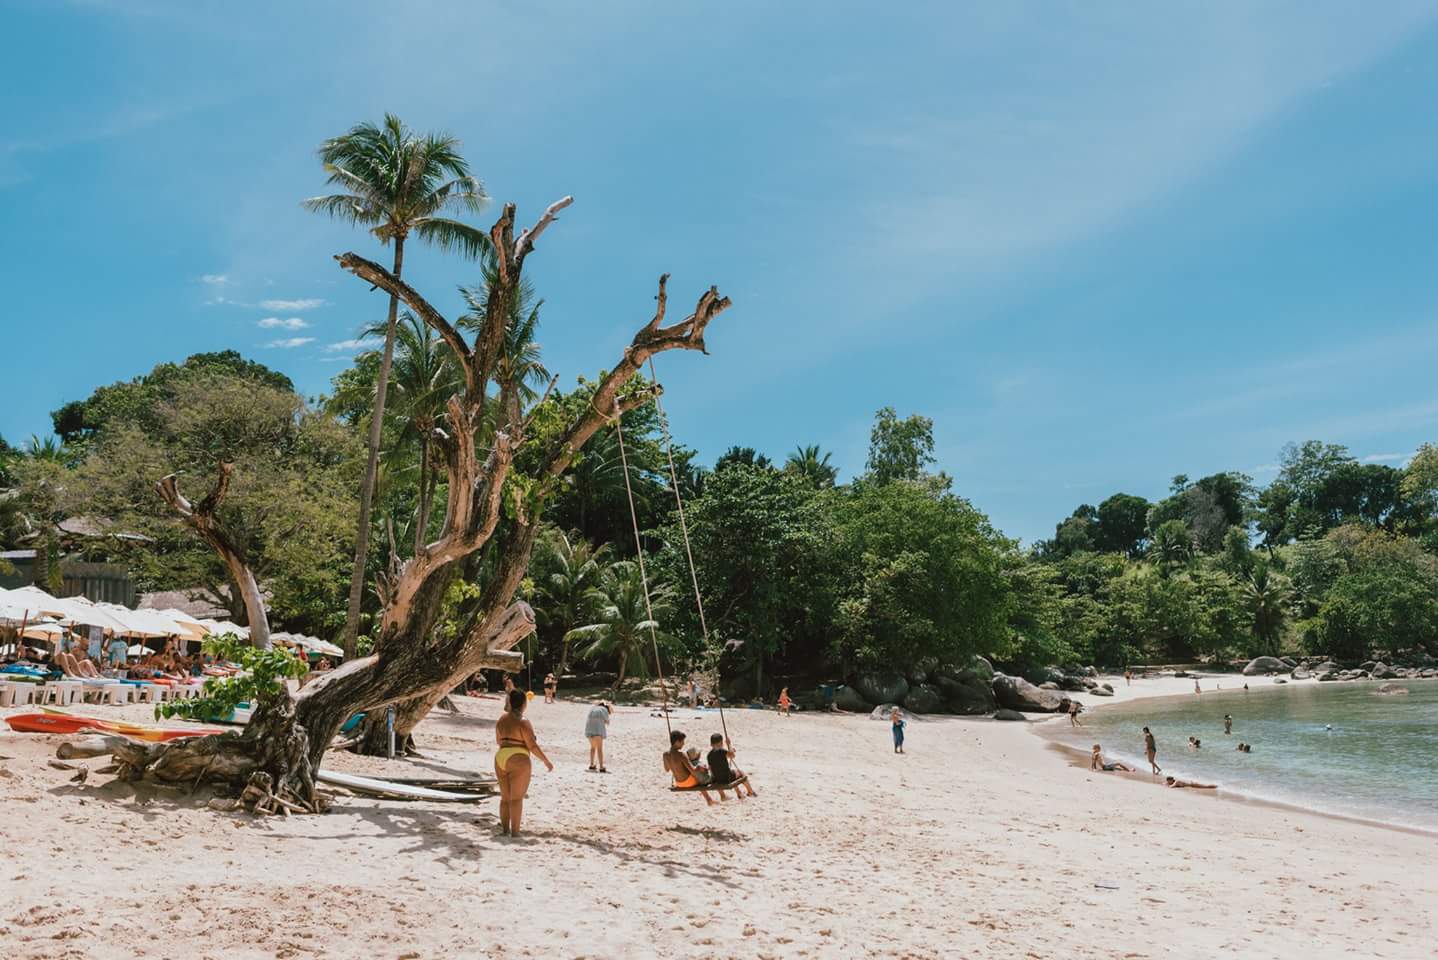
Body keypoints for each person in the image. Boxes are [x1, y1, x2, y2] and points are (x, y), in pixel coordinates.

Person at [493, 688, 553, 837]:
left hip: (500, 756)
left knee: (505, 798)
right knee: (516, 798)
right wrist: (546, 760)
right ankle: (515, 833)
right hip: (518, 757)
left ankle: (505, 830)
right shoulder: (523, 721)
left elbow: (498, 741)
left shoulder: (501, 720)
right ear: (524, 704)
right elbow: (532, 745)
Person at [663, 730, 716, 805]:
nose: (683, 744)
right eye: (682, 741)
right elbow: (693, 771)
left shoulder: (665, 755)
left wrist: (672, 763)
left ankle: (709, 800)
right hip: (689, 782)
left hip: (679, 783)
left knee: (695, 771)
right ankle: (716, 796)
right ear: (677, 742)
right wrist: (699, 767)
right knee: (700, 769)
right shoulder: (681, 755)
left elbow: (667, 769)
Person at [707, 733, 757, 798]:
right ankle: (750, 791)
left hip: (717, 779)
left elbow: (710, 768)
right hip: (727, 778)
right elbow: (732, 756)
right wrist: (729, 744)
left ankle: (739, 793)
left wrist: (715, 778)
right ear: (721, 743)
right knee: (740, 772)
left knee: (731, 772)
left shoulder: (709, 755)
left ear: (711, 744)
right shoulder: (722, 751)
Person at [585, 701, 611, 772]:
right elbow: (607, 722)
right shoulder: (604, 709)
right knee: (599, 749)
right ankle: (601, 767)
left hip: (589, 728)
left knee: (593, 747)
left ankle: (591, 765)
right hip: (598, 729)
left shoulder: (593, 708)